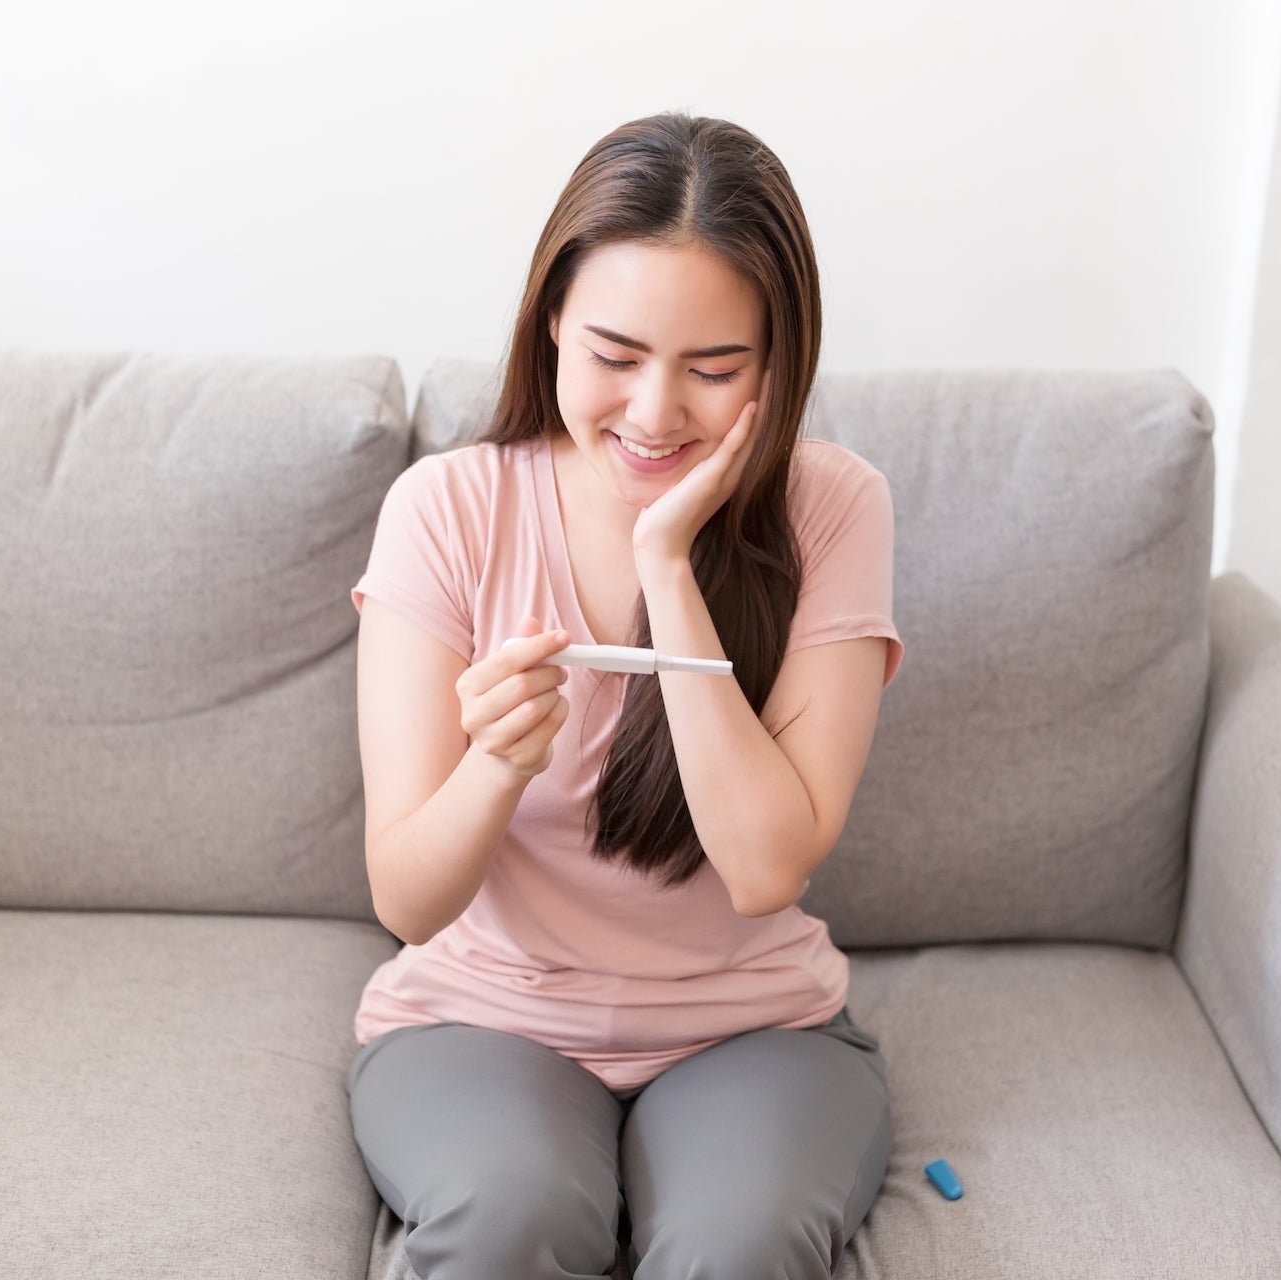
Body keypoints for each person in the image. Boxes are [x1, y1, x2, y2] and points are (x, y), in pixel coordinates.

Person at [344, 110, 905, 1280]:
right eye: (614, 355)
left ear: (778, 363)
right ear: (551, 318)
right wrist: (494, 762)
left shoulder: (835, 506)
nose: (655, 414)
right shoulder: (446, 509)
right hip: (481, 1015)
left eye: (714, 370)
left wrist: (668, 563)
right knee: (510, 1218)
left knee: (736, 1244)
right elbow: (408, 897)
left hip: (753, 1024)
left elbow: (764, 869)